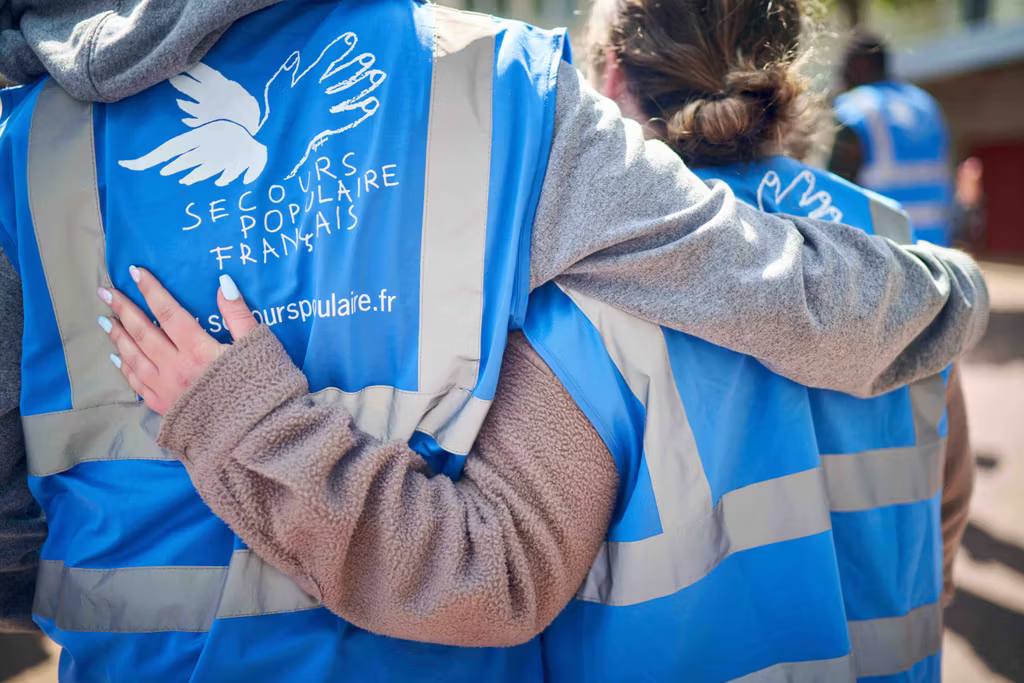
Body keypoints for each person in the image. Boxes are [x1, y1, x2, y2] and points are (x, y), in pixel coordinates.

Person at [0, 0, 987, 681]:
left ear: (613, 63)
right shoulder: (499, 91)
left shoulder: (26, 143)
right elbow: (804, 311)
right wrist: (953, 290)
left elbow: (11, 520)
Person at [830, 31, 957, 247]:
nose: (841, 77)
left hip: (884, 250)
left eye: (844, 68)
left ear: (861, 65)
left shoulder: (855, 107)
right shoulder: (925, 104)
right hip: (936, 246)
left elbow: (836, 186)